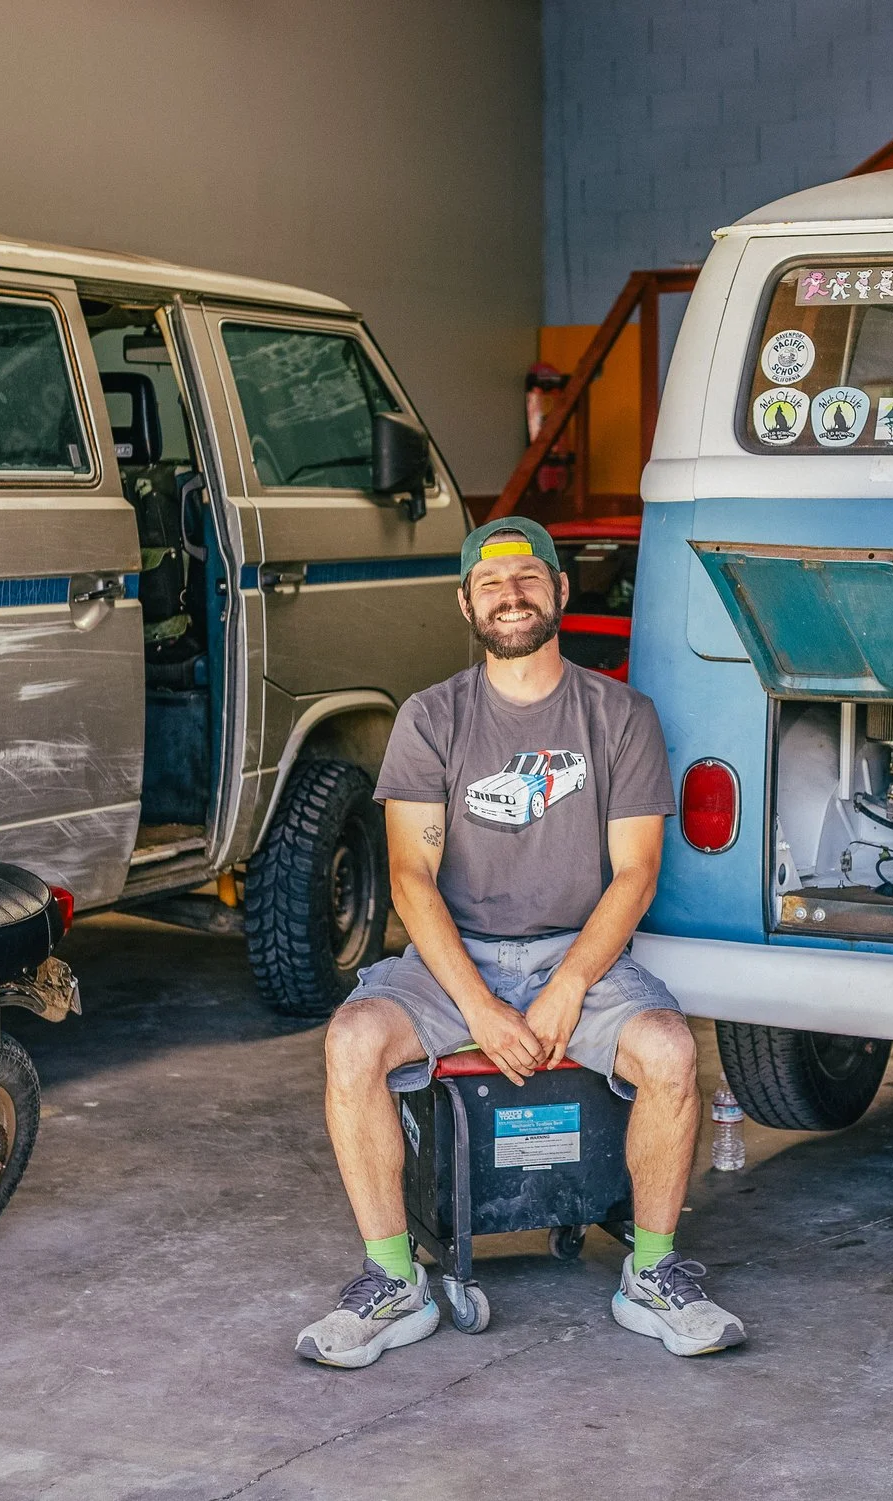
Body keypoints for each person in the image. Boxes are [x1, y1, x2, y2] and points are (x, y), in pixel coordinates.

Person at [295, 517, 745, 1369]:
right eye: (492, 582)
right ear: (467, 602)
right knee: (353, 1041)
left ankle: (651, 1274)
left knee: (671, 1052)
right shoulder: (431, 718)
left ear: (562, 592)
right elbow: (409, 881)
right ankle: (393, 1283)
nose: (512, 593)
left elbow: (635, 874)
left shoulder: (620, 715)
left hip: (579, 948)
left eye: (530, 577)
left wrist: (569, 985)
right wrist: (481, 1008)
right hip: (452, 956)